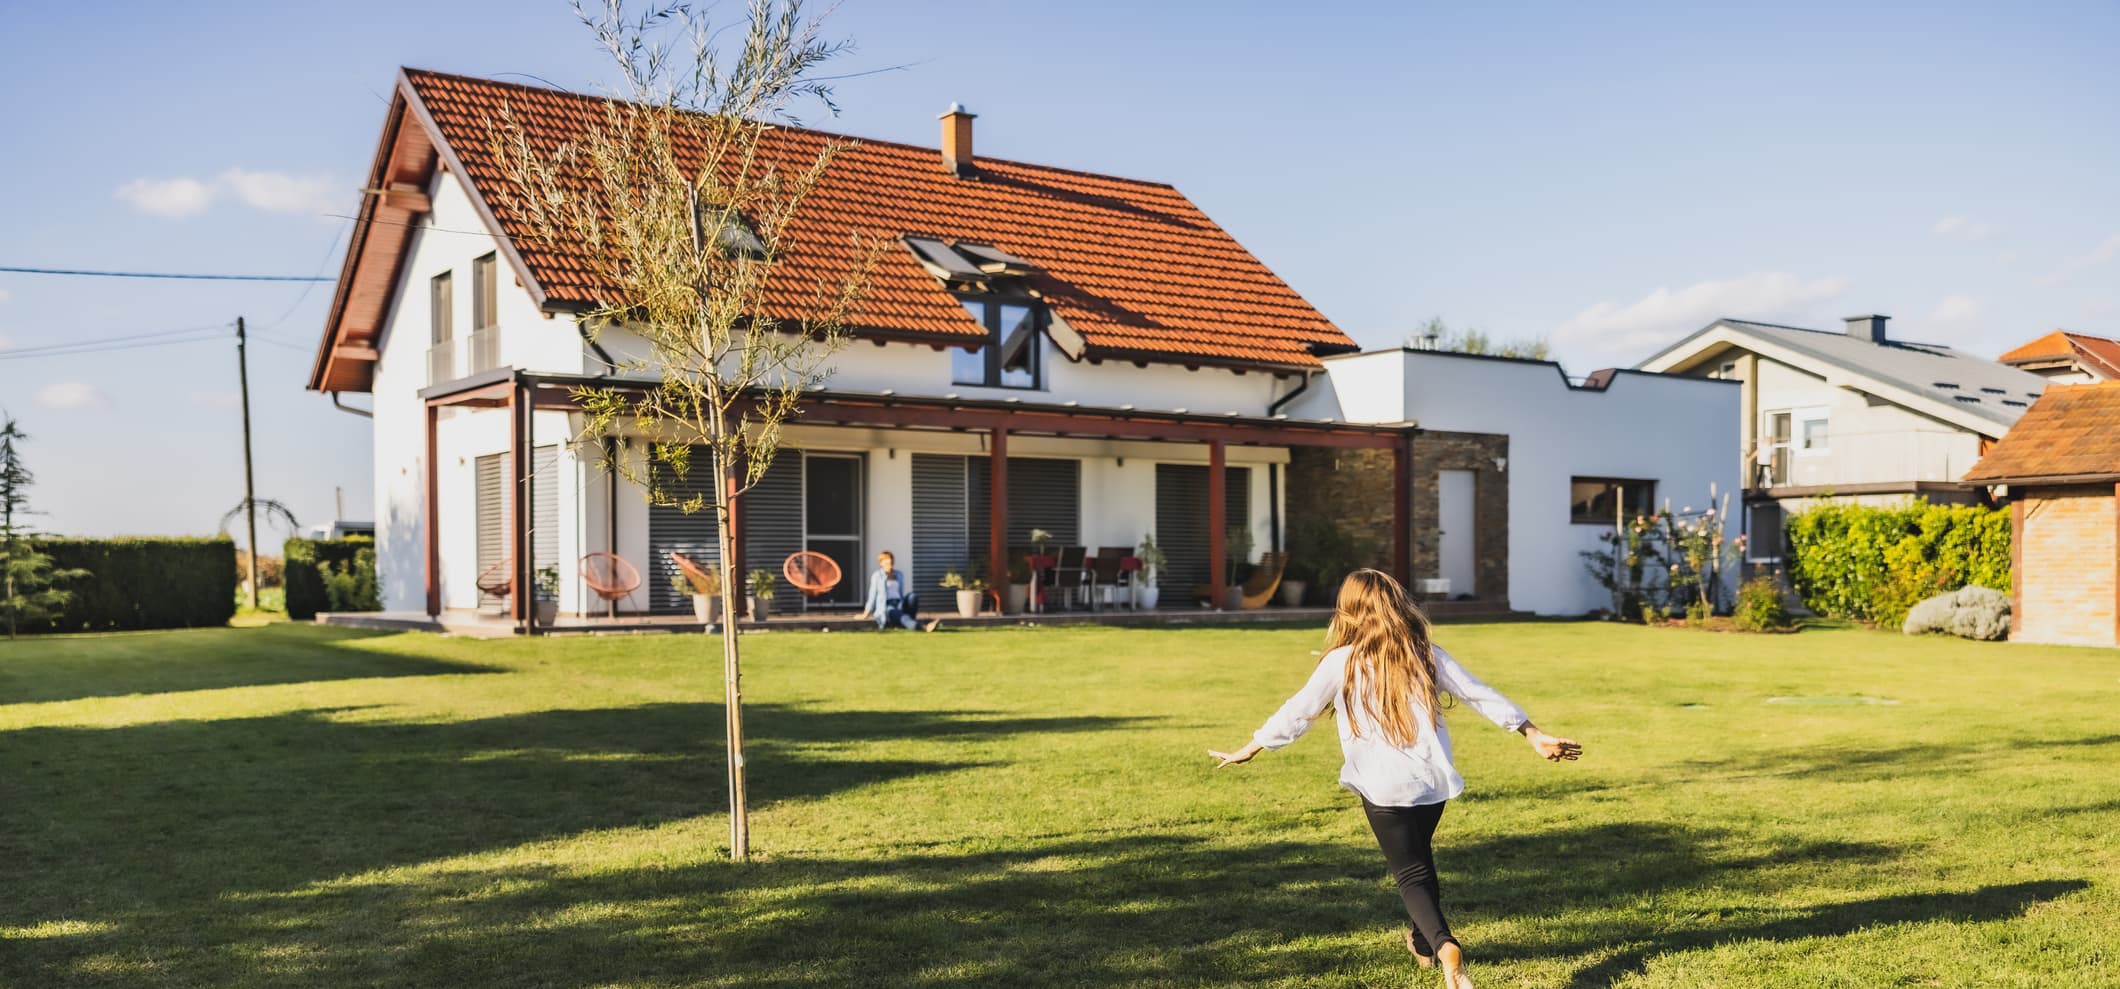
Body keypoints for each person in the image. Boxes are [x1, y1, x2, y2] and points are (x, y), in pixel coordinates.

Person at [1208, 569, 1581, 989]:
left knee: (1411, 875)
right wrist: (1532, 733)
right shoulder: (1425, 653)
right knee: (1419, 863)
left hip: (1384, 788)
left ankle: (1445, 946)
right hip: (1432, 783)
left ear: (1348, 609)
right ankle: (1423, 943)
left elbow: (1299, 711)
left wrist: (1253, 745)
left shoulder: (1341, 661)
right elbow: (1479, 692)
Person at [858, 551, 939, 632]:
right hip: (886, 606)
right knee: (899, 614)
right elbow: (872, 595)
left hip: (899, 603)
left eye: (890, 558)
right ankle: (923, 627)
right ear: (881, 563)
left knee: (912, 596)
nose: (889, 560)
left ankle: (910, 622)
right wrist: (865, 614)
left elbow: (900, 593)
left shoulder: (899, 574)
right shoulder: (877, 575)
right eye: (886, 559)